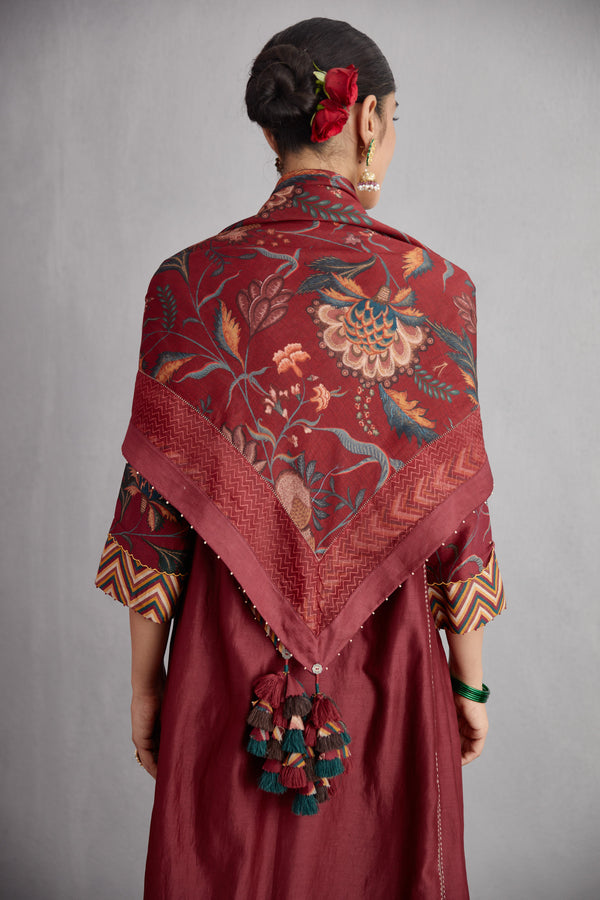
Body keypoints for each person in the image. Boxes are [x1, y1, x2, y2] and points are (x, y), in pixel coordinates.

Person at [95, 17, 505, 900]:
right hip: (391, 658)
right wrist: (469, 687)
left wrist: (146, 686)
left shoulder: (185, 284)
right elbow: (459, 521)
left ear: (275, 131)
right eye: (394, 118)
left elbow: (150, 518)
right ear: (367, 120)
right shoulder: (439, 291)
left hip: (223, 664)